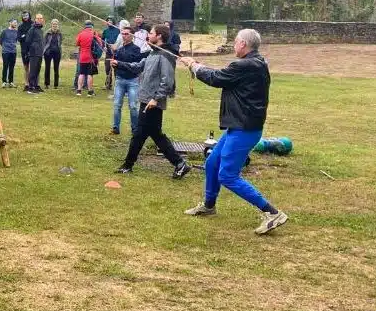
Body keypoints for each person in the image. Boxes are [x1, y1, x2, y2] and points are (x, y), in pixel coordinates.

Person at [180, 29, 288, 235]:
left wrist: (194, 65)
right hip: (239, 126)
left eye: (236, 42)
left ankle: (272, 212)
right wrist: (198, 66)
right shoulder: (255, 62)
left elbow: (216, 78)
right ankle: (209, 206)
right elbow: (223, 75)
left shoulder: (245, 65)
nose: (234, 45)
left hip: (244, 129)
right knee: (212, 163)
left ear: (243, 44)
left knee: (228, 175)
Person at [111, 24, 191, 179]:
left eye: (152, 33)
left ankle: (129, 165)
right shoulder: (153, 53)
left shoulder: (165, 55)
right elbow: (138, 66)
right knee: (149, 134)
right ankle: (179, 164)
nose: (148, 35)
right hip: (146, 99)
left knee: (144, 134)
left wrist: (156, 99)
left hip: (153, 102)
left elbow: (167, 82)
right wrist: (120, 64)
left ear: (159, 36)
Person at [110, 23, 143, 136]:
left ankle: (135, 129)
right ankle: (115, 128)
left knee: (133, 106)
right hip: (120, 80)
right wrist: (114, 64)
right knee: (117, 105)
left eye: (126, 34)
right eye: (122, 34)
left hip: (132, 81)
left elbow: (134, 65)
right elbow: (117, 64)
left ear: (132, 35)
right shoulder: (119, 50)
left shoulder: (136, 50)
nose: (124, 36)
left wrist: (119, 63)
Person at [74, 20, 100, 97]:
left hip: (82, 56)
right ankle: (90, 91)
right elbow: (99, 43)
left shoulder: (81, 34)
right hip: (90, 57)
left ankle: (79, 91)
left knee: (81, 73)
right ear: (91, 26)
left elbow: (77, 43)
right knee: (89, 74)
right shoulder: (94, 34)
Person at [24, 13, 45, 93]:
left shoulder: (41, 30)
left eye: (41, 18)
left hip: (40, 53)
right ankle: (30, 87)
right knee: (32, 71)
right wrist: (30, 50)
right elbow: (27, 41)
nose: (39, 20)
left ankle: (35, 86)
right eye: (38, 18)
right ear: (35, 19)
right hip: (33, 53)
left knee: (37, 70)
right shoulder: (32, 29)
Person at [0, 19, 19, 88]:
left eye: (16, 23)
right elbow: (0, 41)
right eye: (14, 22)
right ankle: (4, 82)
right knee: (5, 66)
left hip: (13, 52)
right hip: (6, 52)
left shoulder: (17, 32)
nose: (15, 24)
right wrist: (5, 47)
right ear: (10, 23)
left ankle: (11, 82)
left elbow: (16, 40)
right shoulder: (4, 31)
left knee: (12, 67)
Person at [43, 19, 63, 89]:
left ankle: (56, 84)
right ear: (51, 25)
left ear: (58, 25)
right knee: (47, 68)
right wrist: (45, 50)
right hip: (48, 52)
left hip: (57, 52)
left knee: (56, 68)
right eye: (53, 24)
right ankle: (46, 84)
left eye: (56, 24)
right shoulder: (47, 33)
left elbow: (60, 42)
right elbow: (44, 42)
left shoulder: (60, 33)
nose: (55, 25)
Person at [101, 16, 119, 90]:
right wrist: (103, 47)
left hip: (117, 51)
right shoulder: (105, 31)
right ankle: (108, 84)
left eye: (111, 21)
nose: (109, 22)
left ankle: (117, 85)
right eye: (108, 21)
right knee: (107, 68)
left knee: (116, 68)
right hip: (108, 51)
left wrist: (116, 46)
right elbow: (102, 40)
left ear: (113, 22)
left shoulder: (118, 30)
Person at [17, 11, 33, 88]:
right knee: (26, 67)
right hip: (24, 49)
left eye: (26, 15)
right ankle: (26, 82)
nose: (25, 17)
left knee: (33, 67)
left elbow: (34, 36)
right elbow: (19, 38)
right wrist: (25, 36)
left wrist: (24, 36)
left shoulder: (33, 25)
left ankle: (33, 82)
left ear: (29, 15)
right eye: (24, 16)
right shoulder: (20, 26)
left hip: (33, 49)